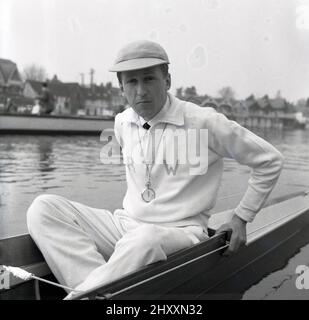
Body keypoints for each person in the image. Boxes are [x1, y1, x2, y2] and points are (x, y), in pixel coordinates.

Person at [27, 40, 284, 298]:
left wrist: (240, 218)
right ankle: (99, 289)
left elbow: (269, 160)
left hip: (181, 232)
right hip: (125, 226)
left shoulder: (204, 121)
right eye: (132, 82)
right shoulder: (122, 122)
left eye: (149, 79)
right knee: (43, 208)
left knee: (145, 240)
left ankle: (85, 293)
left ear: (167, 80)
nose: (141, 91)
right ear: (121, 89)